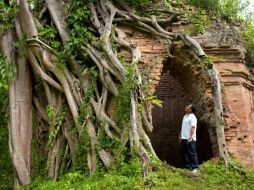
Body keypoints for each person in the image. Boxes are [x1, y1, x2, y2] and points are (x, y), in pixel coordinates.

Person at [179, 104, 199, 173]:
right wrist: (180, 135)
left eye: (188, 106)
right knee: (184, 153)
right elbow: (183, 126)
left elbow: (193, 127)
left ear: (190, 110)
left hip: (190, 138)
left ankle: (195, 167)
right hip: (184, 138)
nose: (186, 107)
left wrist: (190, 137)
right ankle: (187, 167)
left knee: (192, 153)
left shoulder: (193, 117)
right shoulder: (185, 116)